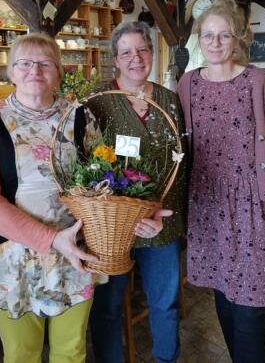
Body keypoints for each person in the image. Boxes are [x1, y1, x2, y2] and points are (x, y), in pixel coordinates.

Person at [0, 32, 167, 363]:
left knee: (71, 351)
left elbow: (105, 182)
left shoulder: (78, 116)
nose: (35, 70)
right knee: (20, 354)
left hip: (75, 252)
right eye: (25, 63)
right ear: (11, 72)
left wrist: (139, 215)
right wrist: (50, 239)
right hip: (12, 255)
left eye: (45, 63)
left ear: (58, 72)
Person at [177, 0, 265, 363]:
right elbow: (178, 145)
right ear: (198, 39)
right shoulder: (187, 85)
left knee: (250, 303)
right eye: (208, 35)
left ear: (238, 40)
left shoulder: (257, 81)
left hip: (253, 209)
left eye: (224, 35)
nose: (215, 43)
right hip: (208, 208)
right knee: (223, 294)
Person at [88, 21, 187, 363]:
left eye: (142, 49)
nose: (136, 58)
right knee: (108, 307)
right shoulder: (98, 101)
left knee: (165, 303)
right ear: (115, 60)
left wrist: (162, 211)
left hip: (162, 224)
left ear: (152, 53)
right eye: (126, 52)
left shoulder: (170, 101)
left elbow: (182, 162)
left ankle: (166, 360)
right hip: (114, 228)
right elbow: (86, 167)